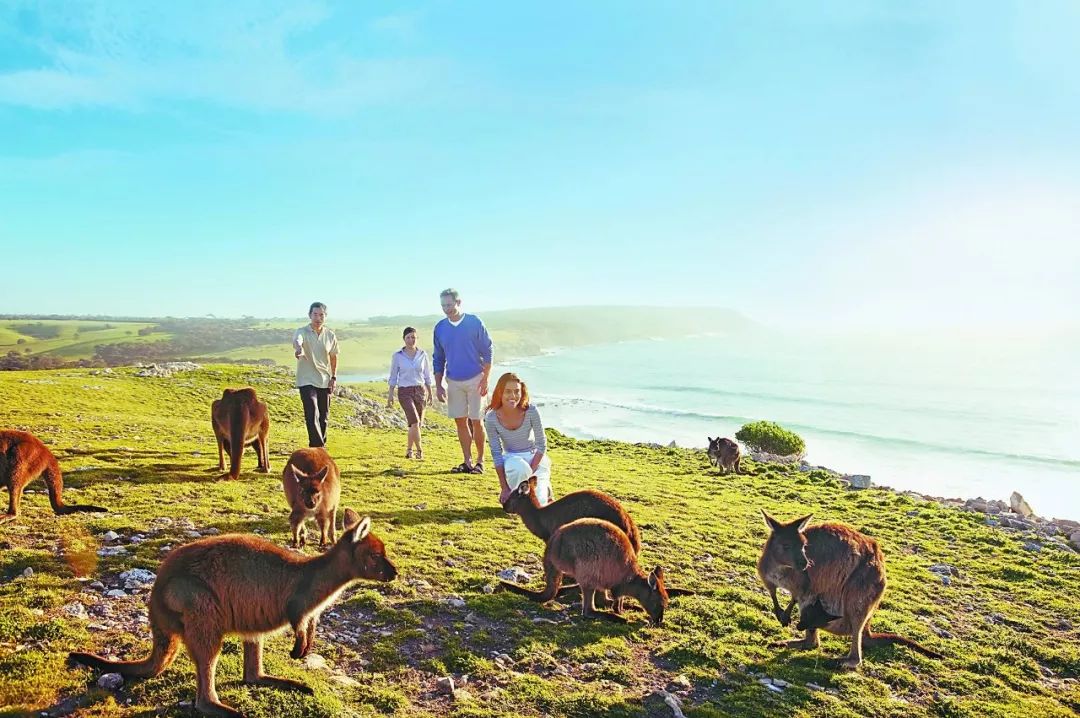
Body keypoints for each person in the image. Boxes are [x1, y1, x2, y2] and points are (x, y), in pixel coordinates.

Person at [433, 288, 493, 474]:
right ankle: (467, 462)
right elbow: (438, 358)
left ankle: (480, 461)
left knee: (476, 420)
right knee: (460, 422)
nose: (446, 309)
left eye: (449, 305)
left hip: (476, 378)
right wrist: (439, 385)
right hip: (453, 381)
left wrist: (486, 379)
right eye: (443, 305)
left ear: (459, 303)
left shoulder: (474, 323)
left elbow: (488, 351)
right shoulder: (440, 328)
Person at [485, 372, 554, 506]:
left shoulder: (531, 411)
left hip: (535, 459)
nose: (513, 396)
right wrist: (504, 488)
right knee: (519, 468)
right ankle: (521, 491)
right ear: (500, 393)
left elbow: (541, 444)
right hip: (512, 460)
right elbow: (496, 454)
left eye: (517, 391)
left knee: (540, 505)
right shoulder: (491, 417)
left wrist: (532, 471)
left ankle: (544, 488)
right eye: (508, 392)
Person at [293, 302, 338, 448]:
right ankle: (318, 448)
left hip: (324, 380)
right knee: (312, 414)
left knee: (323, 418)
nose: (318, 318)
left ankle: (319, 445)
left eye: (321, 315)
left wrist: (333, 377)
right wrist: (299, 348)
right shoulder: (302, 331)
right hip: (306, 380)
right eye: (315, 314)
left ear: (325, 316)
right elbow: (297, 340)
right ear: (309, 315)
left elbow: (333, 357)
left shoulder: (330, 335)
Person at [386, 326, 434, 459]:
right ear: (404, 339)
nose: (411, 340)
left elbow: (427, 375)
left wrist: (430, 393)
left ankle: (409, 450)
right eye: (408, 337)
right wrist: (390, 394)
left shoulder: (422, 355)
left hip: (420, 391)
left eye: (413, 337)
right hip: (404, 391)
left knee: (416, 425)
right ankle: (419, 451)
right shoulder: (398, 356)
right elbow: (393, 376)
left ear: (417, 338)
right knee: (415, 422)